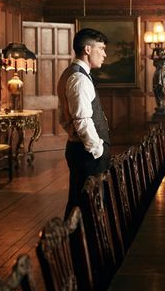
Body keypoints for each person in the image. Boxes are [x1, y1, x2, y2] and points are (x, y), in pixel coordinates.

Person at [57, 28, 110, 218]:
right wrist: (98, 149)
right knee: (85, 206)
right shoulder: (79, 78)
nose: (104, 54)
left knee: (81, 203)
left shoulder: (74, 73)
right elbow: (81, 120)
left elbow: (63, 118)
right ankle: (78, 245)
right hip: (88, 154)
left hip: (81, 149)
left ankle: (75, 244)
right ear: (88, 49)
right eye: (101, 48)